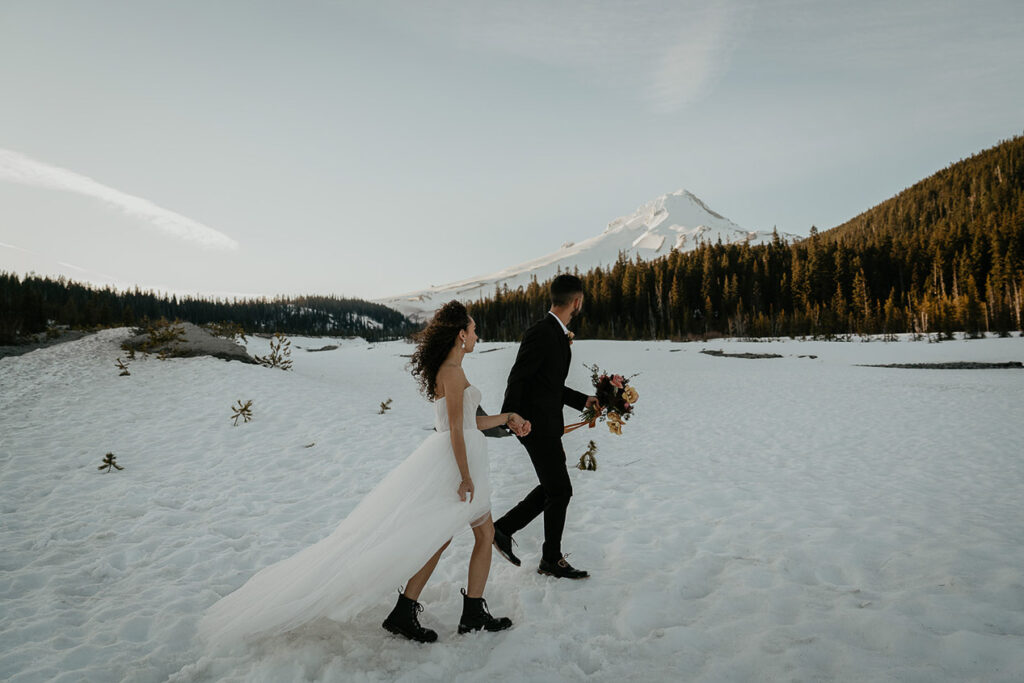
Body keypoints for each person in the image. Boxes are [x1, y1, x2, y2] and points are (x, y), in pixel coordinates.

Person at [199, 301, 526, 648]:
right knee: (457, 536)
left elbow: (468, 423)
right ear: (461, 335)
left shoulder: (452, 371)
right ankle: (449, 611)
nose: (478, 335)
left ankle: (424, 610)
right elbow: (457, 431)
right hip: (456, 463)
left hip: (457, 458)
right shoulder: (452, 372)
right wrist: (465, 476)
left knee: (457, 535)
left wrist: (507, 418)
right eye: (474, 330)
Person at [492, 274, 600, 580]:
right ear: (577, 301)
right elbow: (518, 377)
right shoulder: (541, 332)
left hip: (546, 423)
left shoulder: (557, 332)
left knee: (554, 488)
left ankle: (505, 530)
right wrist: (512, 417)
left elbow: (551, 385)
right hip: (532, 425)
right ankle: (547, 557)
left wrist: (585, 401)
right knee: (560, 490)